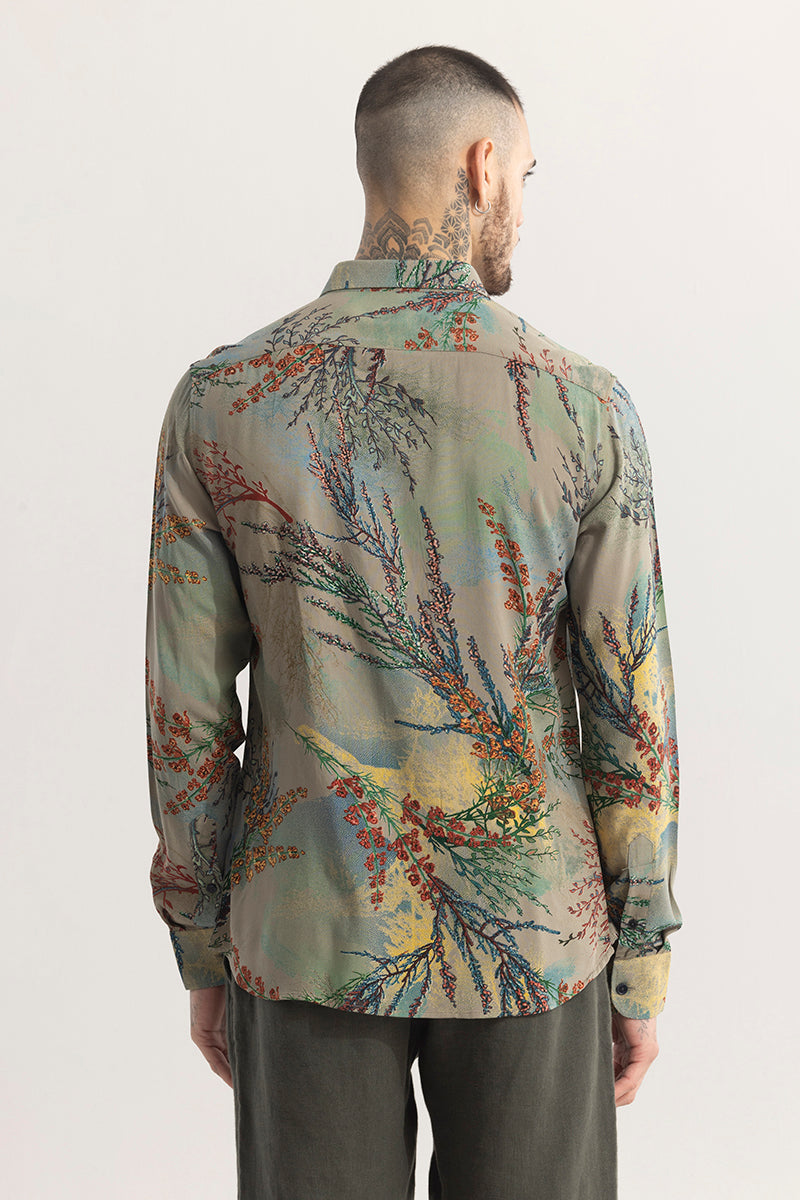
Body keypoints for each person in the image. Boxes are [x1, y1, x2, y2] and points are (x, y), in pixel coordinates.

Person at [145, 44, 682, 1199]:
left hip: (304, 934)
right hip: (534, 941)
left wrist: (202, 942)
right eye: (525, 178)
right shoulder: (583, 408)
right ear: (483, 167)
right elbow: (628, 712)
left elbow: (186, 719)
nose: (520, 208)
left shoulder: (224, 401)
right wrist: (638, 958)